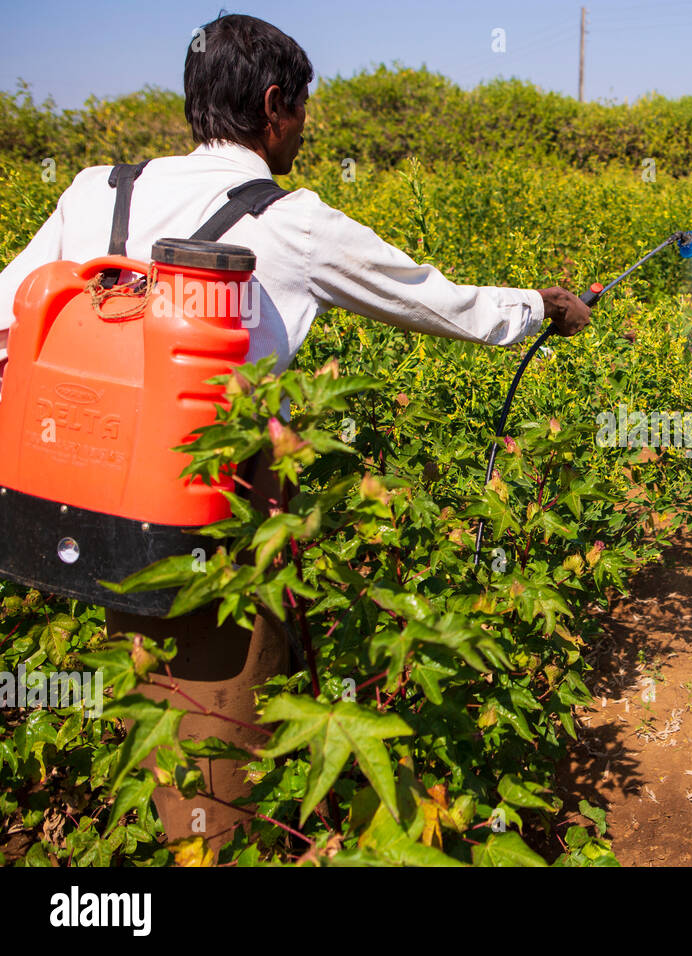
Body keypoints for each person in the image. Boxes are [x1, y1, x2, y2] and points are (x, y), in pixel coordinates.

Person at [0, 13, 591, 851]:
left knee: (145, 691)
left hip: (79, 507)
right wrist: (542, 307)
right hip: (216, 514)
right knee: (221, 736)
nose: (304, 130)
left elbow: (6, 325)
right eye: (302, 110)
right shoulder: (289, 218)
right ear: (275, 106)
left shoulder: (98, 186)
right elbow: (437, 299)